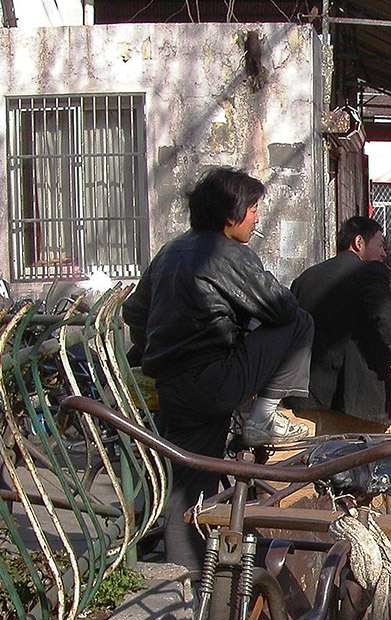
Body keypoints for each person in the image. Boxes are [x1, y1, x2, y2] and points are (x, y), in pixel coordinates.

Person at [123, 167, 314, 574]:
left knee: (190, 480)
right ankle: (264, 415)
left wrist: (156, 349)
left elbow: (134, 311)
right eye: (253, 209)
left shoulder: (173, 249)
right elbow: (282, 309)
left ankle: (182, 576)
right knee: (302, 323)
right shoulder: (226, 253)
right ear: (231, 215)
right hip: (214, 379)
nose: (257, 218)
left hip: (174, 386)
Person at [290, 216, 391, 430]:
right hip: (355, 401)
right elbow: (384, 315)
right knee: (364, 458)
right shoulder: (369, 271)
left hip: (307, 394)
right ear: (359, 243)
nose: (384, 253)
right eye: (379, 245)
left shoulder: (305, 278)